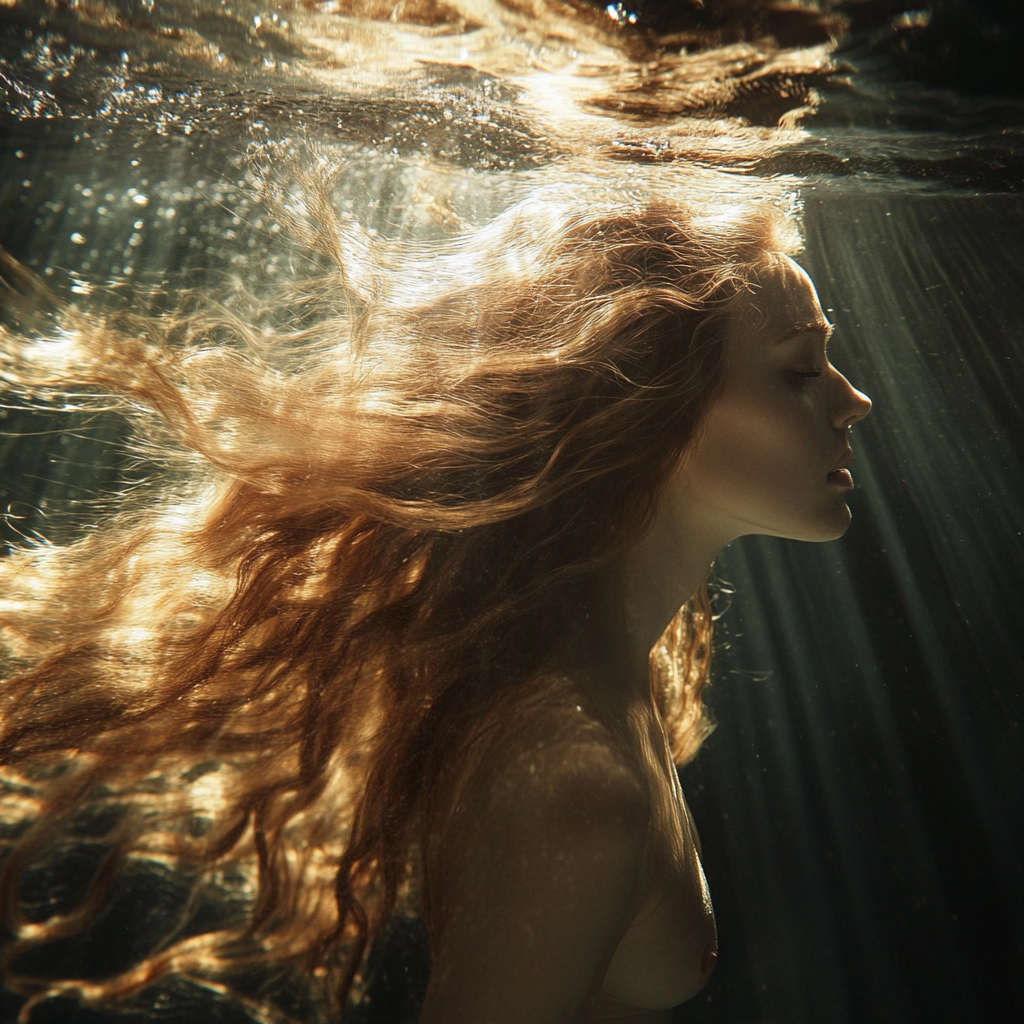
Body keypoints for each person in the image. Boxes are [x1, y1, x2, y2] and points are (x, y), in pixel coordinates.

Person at [0, 181, 870, 1024]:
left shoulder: (593, 680)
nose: (853, 400)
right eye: (800, 370)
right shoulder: (577, 787)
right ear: (649, 406)